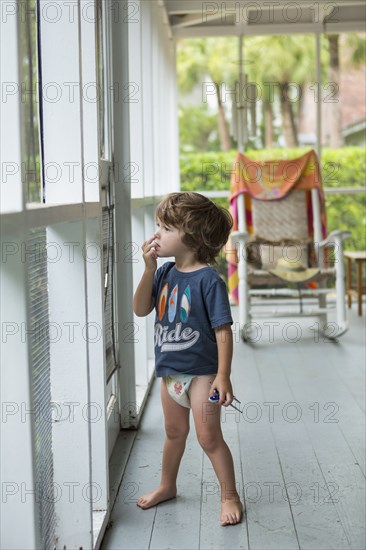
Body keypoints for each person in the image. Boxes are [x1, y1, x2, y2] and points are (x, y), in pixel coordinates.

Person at [133, 192, 244, 526]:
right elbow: (140, 309)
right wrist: (149, 270)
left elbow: (223, 331)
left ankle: (229, 495)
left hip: (203, 374)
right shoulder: (164, 273)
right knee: (173, 432)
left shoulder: (208, 280)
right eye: (157, 227)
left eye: (164, 228)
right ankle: (167, 485)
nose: (156, 236)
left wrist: (223, 376)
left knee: (208, 437)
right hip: (170, 372)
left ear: (191, 236)